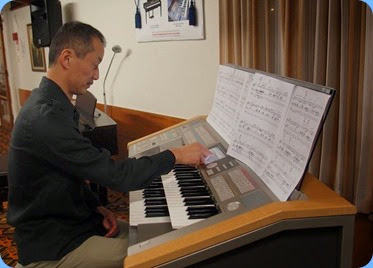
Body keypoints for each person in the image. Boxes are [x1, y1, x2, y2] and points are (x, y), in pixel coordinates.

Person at [7, 21, 211, 268]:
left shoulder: (54, 103)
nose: (96, 75)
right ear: (67, 58)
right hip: (52, 245)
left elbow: (69, 172)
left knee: (157, 232)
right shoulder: (45, 117)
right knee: (164, 252)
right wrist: (175, 155)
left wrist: (96, 208)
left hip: (71, 223)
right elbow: (117, 176)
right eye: (95, 65)